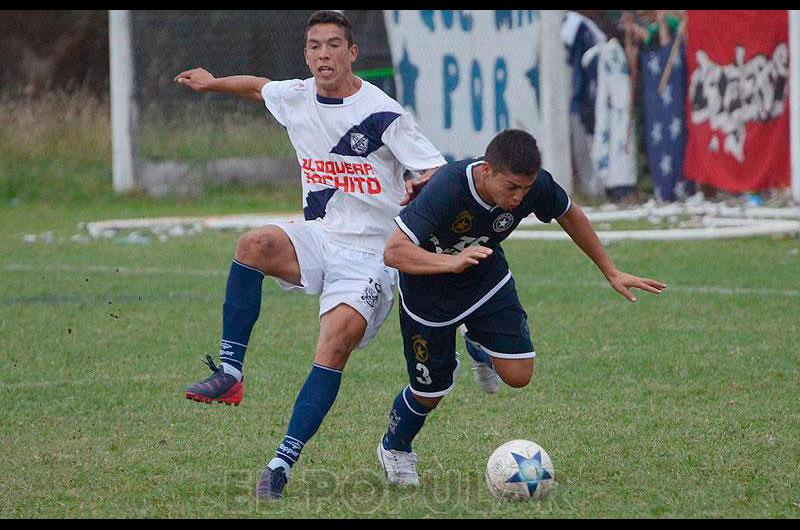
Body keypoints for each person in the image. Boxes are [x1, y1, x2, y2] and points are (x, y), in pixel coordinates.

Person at [174, 10, 446, 499]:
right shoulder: (297, 96)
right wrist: (213, 85)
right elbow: (260, 87)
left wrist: (417, 184)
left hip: (371, 254)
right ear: (307, 55)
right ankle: (230, 374)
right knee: (253, 243)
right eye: (315, 46)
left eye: (334, 45)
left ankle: (280, 466)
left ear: (352, 53)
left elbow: (436, 173)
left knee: (332, 346)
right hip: (320, 236)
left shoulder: (385, 113)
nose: (324, 54)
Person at [375, 129, 666, 486]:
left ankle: (478, 344)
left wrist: (611, 271)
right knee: (430, 392)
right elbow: (394, 251)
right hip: (427, 292)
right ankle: (396, 446)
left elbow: (570, 214)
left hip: (483, 276)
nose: (519, 198)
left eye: (525, 189)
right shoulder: (448, 187)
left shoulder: (533, 187)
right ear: (486, 170)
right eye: (511, 187)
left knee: (519, 374)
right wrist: (451, 263)